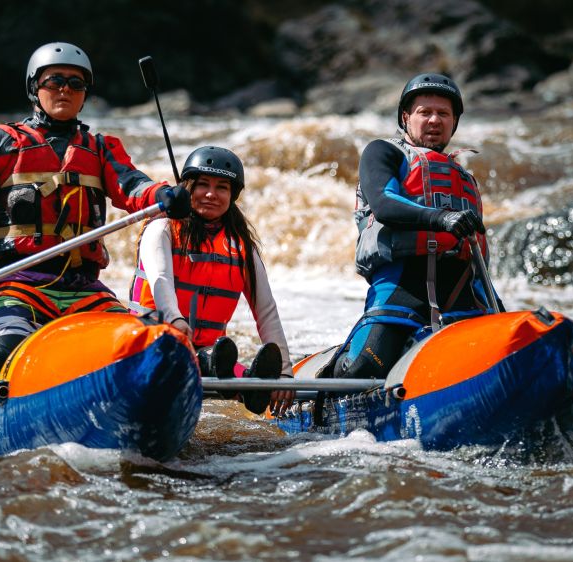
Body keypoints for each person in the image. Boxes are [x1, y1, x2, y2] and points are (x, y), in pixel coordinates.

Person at [0, 41, 190, 380]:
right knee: (0, 353)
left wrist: (166, 195)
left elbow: (133, 186)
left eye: (76, 83)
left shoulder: (100, 148)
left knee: (145, 348)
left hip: (85, 290)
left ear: (85, 94)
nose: (65, 90)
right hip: (18, 285)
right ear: (34, 88)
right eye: (55, 81)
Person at [333, 73, 504, 379]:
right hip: (402, 287)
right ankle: (331, 370)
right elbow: (384, 204)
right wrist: (442, 218)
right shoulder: (384, 153)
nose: (434, 120)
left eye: (443, 114)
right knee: (365, 367)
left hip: (463, 294)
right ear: (406, 117)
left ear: (454, 122)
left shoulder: (465, 178)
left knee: (506, 357)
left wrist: (499, 312)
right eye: (425, 112)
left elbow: (476, 256)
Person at [128, 146, 295, 416]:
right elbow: (160, 279)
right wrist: (174, 319)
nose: (211, 194)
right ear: (188, 188)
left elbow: (266, 310)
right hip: (154, 341)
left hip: (209, 352)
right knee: (203, 359)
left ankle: (251, 385)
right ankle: (236, 380)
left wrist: (285, 373)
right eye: (203, 184)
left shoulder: (242, 247)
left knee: (214, 360)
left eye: (222, 188)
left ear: (232, 195)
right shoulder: (161, 228)